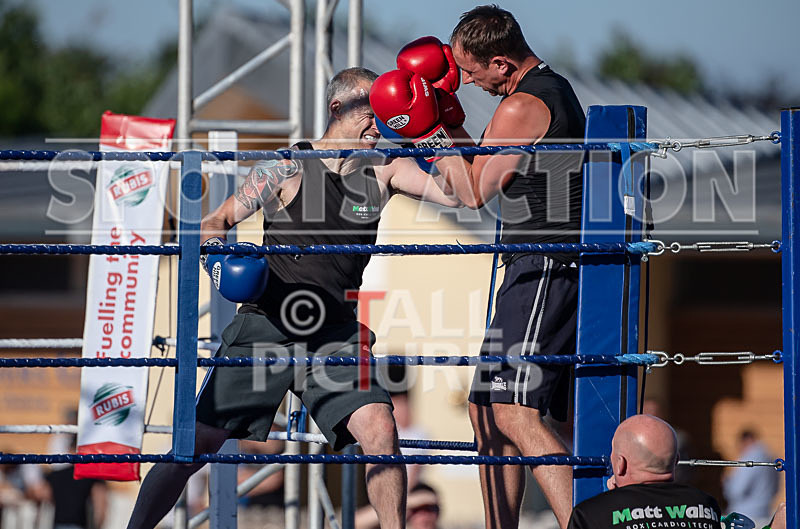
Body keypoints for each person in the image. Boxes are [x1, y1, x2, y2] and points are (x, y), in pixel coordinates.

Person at [126, 66, 461, 529]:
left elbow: (459, 195)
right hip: (268, 324)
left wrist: (436, 132)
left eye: (387, 113)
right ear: (337, 108)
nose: (379, 124)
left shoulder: (387, 168)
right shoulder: (285, 167)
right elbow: (215, 223)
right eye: (371, 111)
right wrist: (219, 261)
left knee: (382, 432)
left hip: (336, 334)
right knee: (192, 447)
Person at [369, 5, 586, 528]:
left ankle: (584, 523)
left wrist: (426, 132)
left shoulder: (524, 106)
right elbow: (477, 171)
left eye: (469, 71)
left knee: (514, 410)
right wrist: (451, 123)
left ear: (500, 62)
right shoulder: (534, 94)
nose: (463, 80)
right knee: (484, 410)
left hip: (546, 264)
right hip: (529, 264)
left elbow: (469, 193)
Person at [567, 415, 723, 529]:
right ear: (676, 461)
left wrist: (612, 503)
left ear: (621, 464)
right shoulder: (706, 505)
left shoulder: (591, 514)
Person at [723, 430, 780, 526]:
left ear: (746, 441)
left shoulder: (750, 458)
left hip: (744, 515)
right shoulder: (770, 457)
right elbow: (776, 488)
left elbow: (736, 490)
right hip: (764, 513)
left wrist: (727, 481)